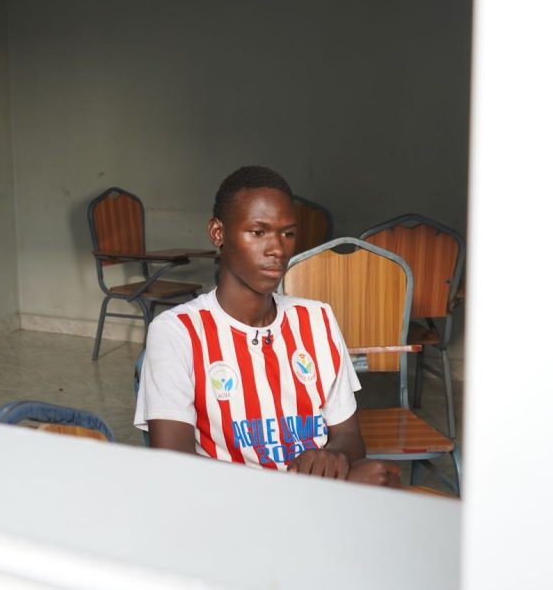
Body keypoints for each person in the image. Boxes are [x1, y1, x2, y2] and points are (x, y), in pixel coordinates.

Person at [134, 165, 399, 486]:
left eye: (287, 233)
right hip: (233, 512)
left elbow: (349, 438)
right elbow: (176, 467)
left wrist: (335, 458)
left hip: (316, 501)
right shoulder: (178, 331)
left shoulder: (317, 319)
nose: (277, 249)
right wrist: (306, 486)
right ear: (218, 232)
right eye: (258, 232)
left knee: (385, 482)